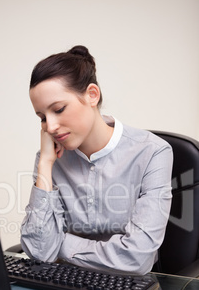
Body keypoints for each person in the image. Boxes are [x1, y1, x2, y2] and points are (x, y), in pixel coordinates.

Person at [20, 45, 173, 275]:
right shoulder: (50, 158)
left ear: (92, 95)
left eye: (59, 109)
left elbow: (136, 260)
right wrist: (45, 165)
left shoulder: (153, 152)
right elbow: (40, 251)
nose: (49, 127)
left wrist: (60, 243)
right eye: (42, 117)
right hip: (66, 288)